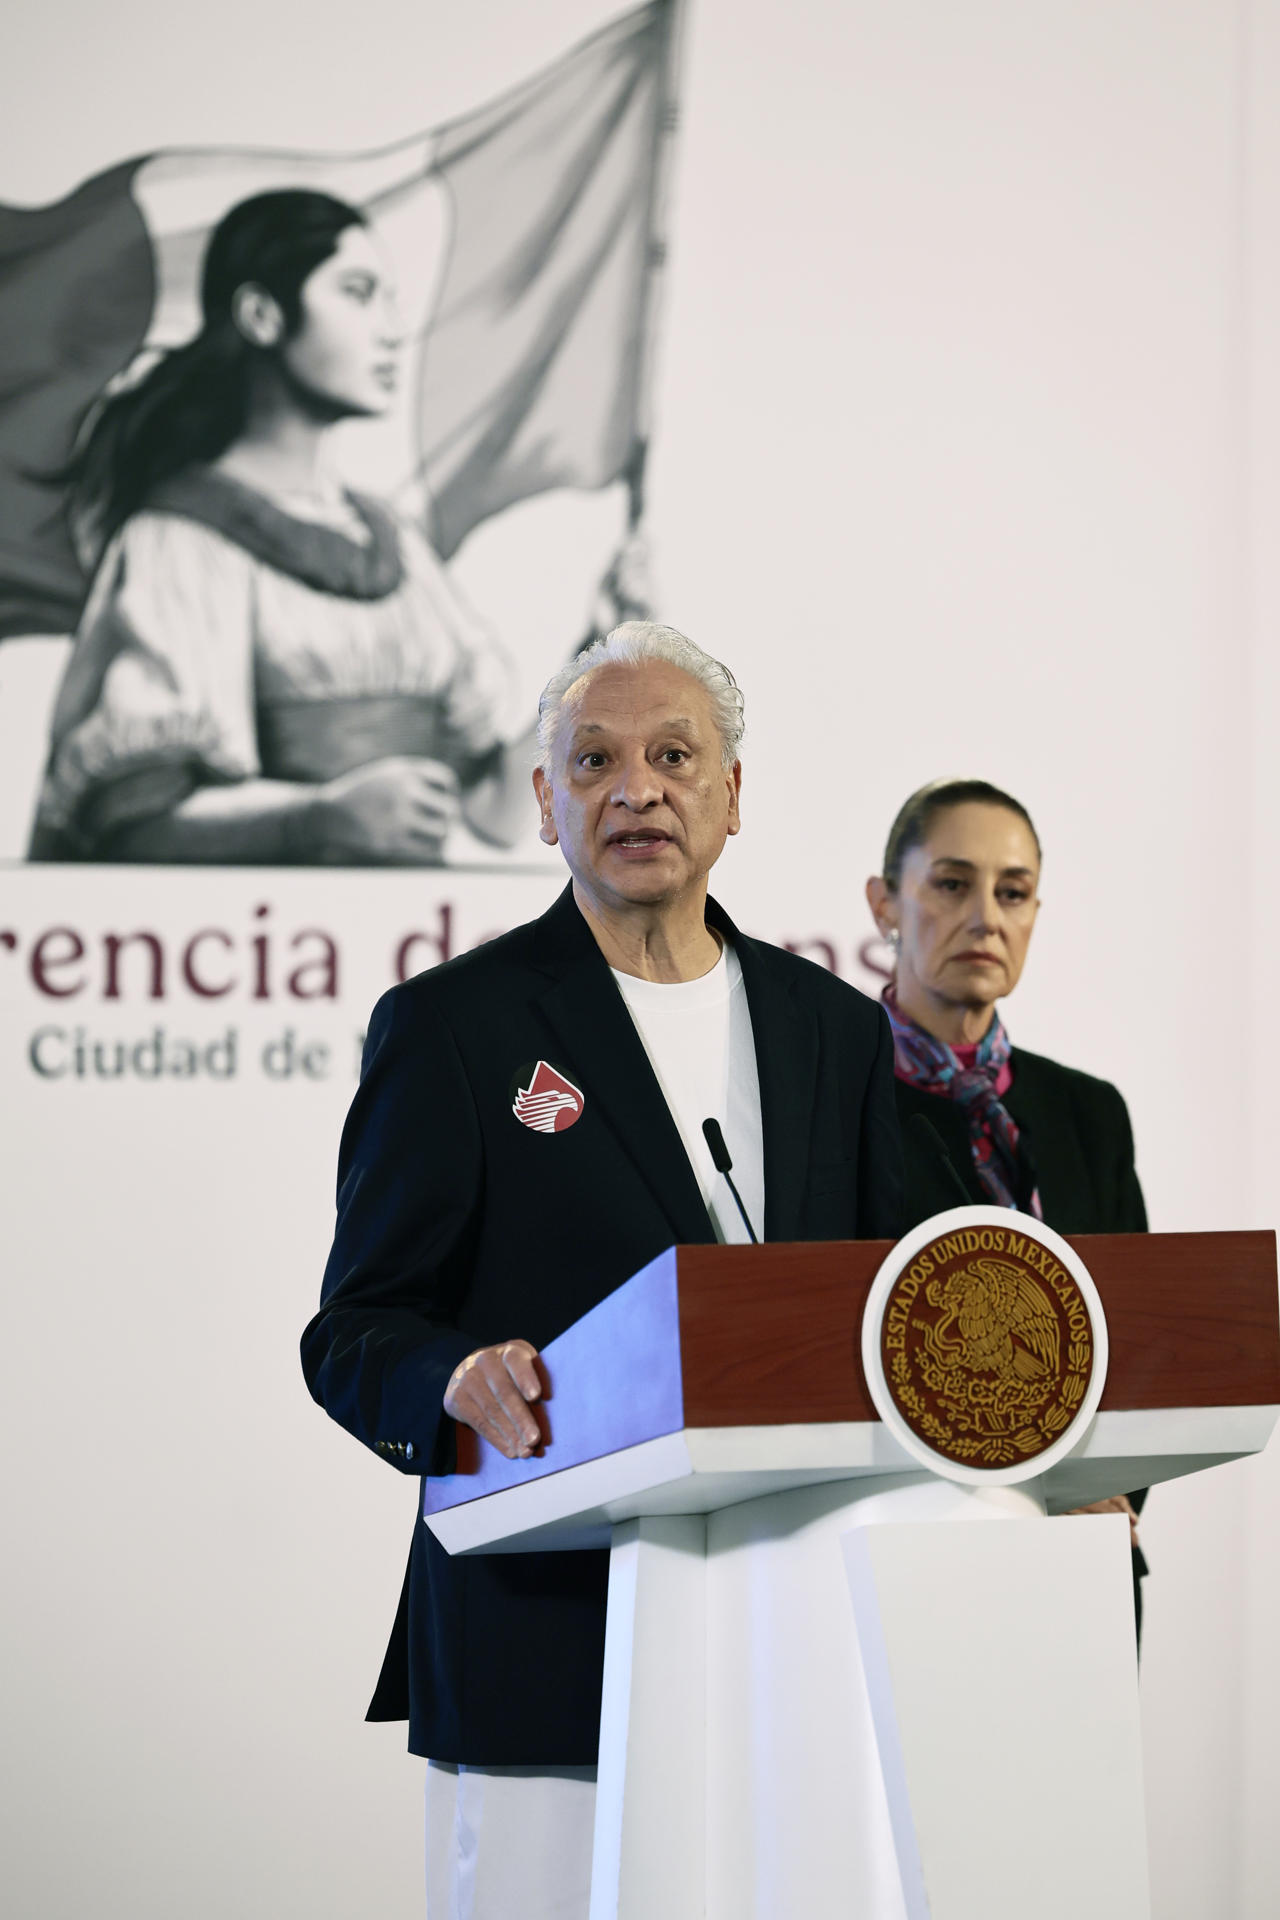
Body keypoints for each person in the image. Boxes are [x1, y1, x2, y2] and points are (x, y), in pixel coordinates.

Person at [302, 621, 903, 1917]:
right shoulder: (456, 1027)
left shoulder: (835, 1034)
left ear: (733, 795)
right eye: (594, 761)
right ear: (543, 803)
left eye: (675, 755)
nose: (637, 788)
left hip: (792, 1636)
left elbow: (889, 1308)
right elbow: (354, 1327)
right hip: (544, 1632)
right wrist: (451, 1376)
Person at [30, 188, 531, 864]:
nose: (390, 329)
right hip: (259, 952)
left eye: (389, 298)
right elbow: (134, 824)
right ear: (262, 315)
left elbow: (497, 812)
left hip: (407, 948)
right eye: (357, 293)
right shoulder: (179, 540)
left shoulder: (395, 545)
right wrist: (318, 818)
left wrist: (600, 664)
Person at [864, 776, 1149, 1631]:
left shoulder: (1087, 1111)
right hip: (905, 1550)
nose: (986, 915)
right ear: (885, 905)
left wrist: (1098, 1494)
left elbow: (1135, 1342)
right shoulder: (838, 1104)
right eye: (952, 884)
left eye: (1013, 892)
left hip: (1083, 1553)